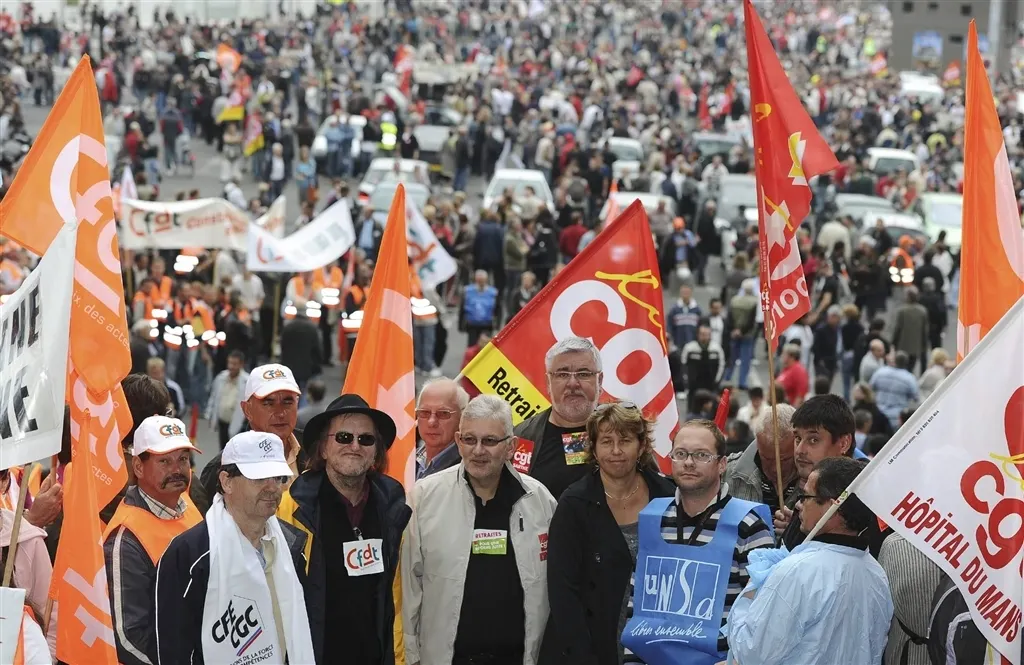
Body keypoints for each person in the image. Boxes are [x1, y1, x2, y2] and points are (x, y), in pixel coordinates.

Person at [402, 396, 557, 665]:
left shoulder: (540, 502)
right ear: (458, 440)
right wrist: (411, 655)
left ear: (511, 446)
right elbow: (408, 586)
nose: (478, 450)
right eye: (470, 440)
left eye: (490, 441)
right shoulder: (424, 498)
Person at [620, 420, 774, 664]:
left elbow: (764, 614)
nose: (689, 462)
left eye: (702, 455)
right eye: (681, 454)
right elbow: (636, 608)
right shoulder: (653, 520)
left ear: (722, 464)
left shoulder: (749, 525)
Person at [155, 431, 314, 665]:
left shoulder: (291, 545)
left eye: (278, 477)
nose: (272, 488)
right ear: (226, 482)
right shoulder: (190, 554)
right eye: (260, 478)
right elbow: (172, 647)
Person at [277, 394, 410, 665]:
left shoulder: (395, 509)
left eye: (366, 439)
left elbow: (399, 599)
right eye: (343, 437)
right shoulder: (290, 508)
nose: (355, 446)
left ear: (376, 452)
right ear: (323, 448)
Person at [724, 458, 894, 665]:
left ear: (833, 506)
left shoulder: (798, 571)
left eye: (806, 496)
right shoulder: (876, 572)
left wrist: (750, 595)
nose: (798, 504)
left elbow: (751, 653)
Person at [544, 403, 676, 665]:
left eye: (625, 441)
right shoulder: (574, 504)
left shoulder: (668, 496)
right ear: (593, 448)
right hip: (593, 647)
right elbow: (563, 591)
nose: (616, 451)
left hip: (658, 644)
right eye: (606, 441)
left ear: (641, 445)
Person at [103, 416, 204, 665]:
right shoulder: (125, 540)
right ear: (138, 467)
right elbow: (128, 639)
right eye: (164, 461)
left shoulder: (187, 504)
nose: (177, 470)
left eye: (183, 459)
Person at [514, 337, 603, 500]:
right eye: (562, 374)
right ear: (548, 382)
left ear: (600, 380)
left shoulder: (625, 434)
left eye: (583, 374)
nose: (573, 383)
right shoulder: (520, 438)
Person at [200, 364, 305, 500]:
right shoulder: (222, 468)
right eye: (269, 403)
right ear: (247, 410)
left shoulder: (317, 449)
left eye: (288, 402)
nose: (280, 413)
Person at [777, 395, 866, 550]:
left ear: (844, 443)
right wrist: (799, 525)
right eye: (798, 438)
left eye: (813, 440)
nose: (800, 450)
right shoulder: (810, 488)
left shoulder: (864, 502)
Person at [725, 404, 800, 516]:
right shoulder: (727, 473)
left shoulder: (814, 478)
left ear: (798, 442)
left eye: (784, 460)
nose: (775, 469)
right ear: (758, 443)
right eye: (767, 459)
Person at [415, 378, 470, 479]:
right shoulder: (404, 459)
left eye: (443, 413)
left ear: (462, 417)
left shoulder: (468, 470)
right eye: (425, 412)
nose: (431, 422)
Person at [205, 350, 248, 448]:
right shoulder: (221, 377)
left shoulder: (247, 381)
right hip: (223, 422)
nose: (231, 366)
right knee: (223, 450)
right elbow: (214, 397)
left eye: (234, 364)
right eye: (229, 363)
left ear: (241, 364)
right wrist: (209, 414)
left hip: (239, 425)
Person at [680, 323, 725, 415]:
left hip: (710, 384)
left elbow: (722, 365)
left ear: (710, 335)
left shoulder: (716, 349)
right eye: (702, 334)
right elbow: (683, 365)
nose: (704, 337)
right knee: (692, 411)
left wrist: (717, 381)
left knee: (710, 411)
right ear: (698, 334)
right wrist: (686, 381)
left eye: (707, 334)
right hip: (694, 385)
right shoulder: (689, 348)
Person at [869, 351, 921, 429]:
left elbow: (870, 387)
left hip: (879, 413)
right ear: (906, 362)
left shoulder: (880, 372)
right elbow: (916, 397)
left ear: (895, 360)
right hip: (896, 418)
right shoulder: (909, 378)